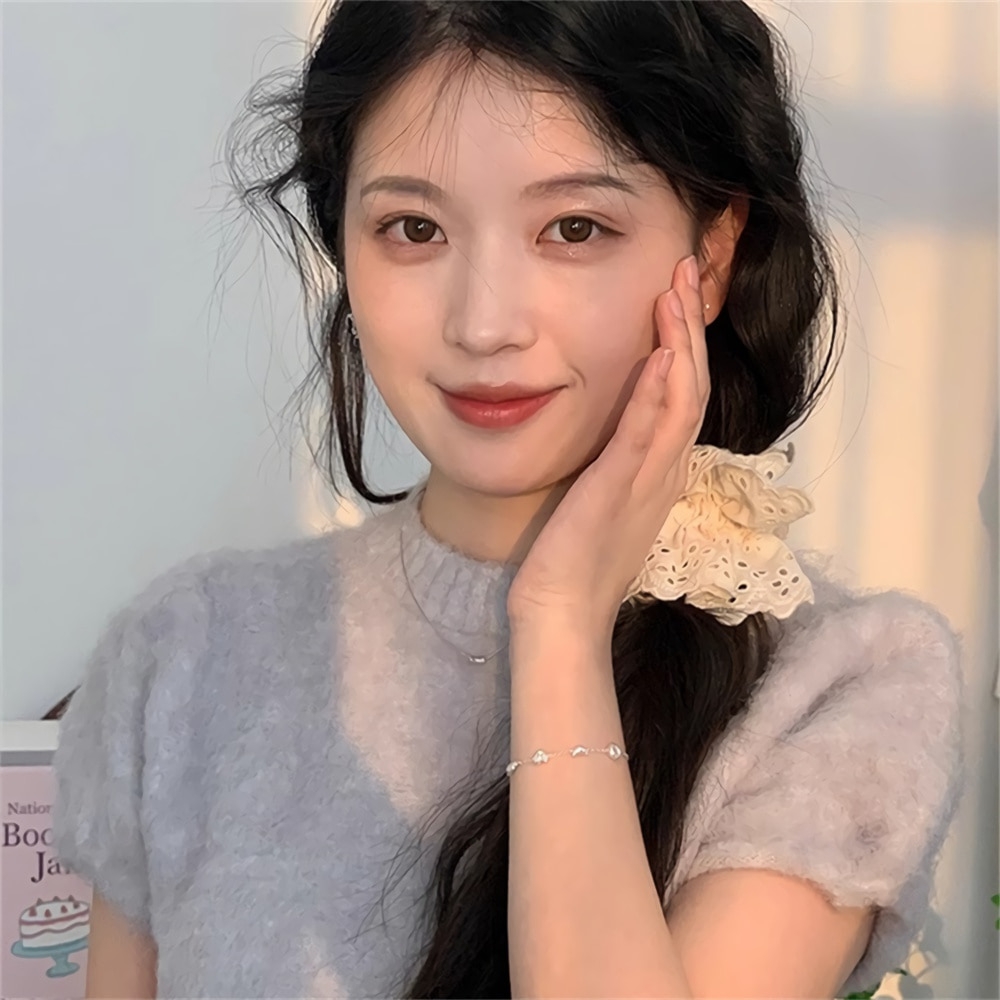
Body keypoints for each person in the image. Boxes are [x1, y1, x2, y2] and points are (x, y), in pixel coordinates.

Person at [51, 2, 965, 998]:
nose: (485, 324)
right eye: (413, 229)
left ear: (708, 260)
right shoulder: (181, 658)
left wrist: (561, 621)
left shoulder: (841, 681)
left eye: (574, 228)